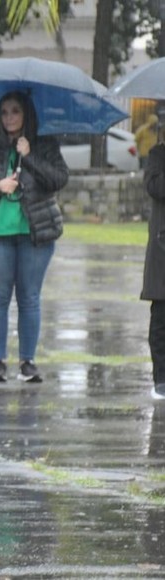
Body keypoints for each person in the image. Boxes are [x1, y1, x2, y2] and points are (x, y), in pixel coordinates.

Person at [0, 90, 68, 383]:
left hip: (35, 235)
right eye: (5, 112)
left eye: (16, 111)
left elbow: (59, 179)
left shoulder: (44, 146)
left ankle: (28, 362)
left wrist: (29, 156)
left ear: (27, 115)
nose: (9, 117)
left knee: (29, 298)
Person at [141, 124, 165, 400]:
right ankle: (161, 377)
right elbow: (156, 187)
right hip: (162, 247)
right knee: (161, 317)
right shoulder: (158, 155)